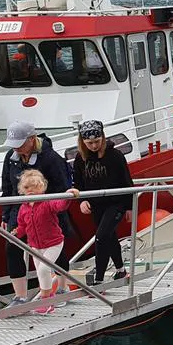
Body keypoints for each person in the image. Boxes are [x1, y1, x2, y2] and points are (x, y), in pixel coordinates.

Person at [0, 121, 76, 310]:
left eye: (20, 143)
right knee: (12, 248)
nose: (16, 148)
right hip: (20, 210)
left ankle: (62, 288)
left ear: (32, 140)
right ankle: (20, 296)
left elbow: (62, 185)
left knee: (56, 249)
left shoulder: (51, 158)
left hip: (48, 209)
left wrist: (55, 205)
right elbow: (8, 188)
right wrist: (5, 215)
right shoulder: (11, 156)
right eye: (13, 144)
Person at [72, 120, 133, 286]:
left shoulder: (115, 156)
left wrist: (129, 208)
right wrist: (82, 200)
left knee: (101, 238)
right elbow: (78, 183)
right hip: (96, 205)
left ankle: (99, 281)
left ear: (103, 138)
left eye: (97, 142)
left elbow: (127, 182)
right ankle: (121, 271)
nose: (93, 146)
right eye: (89, 143)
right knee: (110, 237)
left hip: (116, 202)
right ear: (82, 141)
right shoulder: (80, 159)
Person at [12, 169, 76, 315]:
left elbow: (59, 206)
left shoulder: (47, 202)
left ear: (41, 188)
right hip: (35, 245)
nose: (31, 191)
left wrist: (68, 196)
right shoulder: (24, 207)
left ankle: (46, 301)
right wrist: (17, 233)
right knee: (40, 273)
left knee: (44, 270)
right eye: (27, 188)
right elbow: (23, 225)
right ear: (22, 190)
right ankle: (49, 298)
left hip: (53, 242)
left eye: (35, 187)